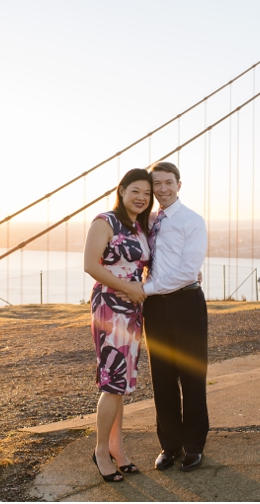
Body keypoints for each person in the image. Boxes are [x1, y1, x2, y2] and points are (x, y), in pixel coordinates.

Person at [83, 168, 153, 483]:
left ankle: (117, 448)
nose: (142, 197)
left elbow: (146, 267)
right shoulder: (105, 222)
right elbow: (90, 265)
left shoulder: (140, 227)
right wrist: (128, 288)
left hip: (133, 308)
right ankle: (101, 451)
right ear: (121, 190)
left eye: (147, 193)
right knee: (112, 380)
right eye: (135, 190)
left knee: (121, 383)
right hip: (110, 306)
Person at [142, 161, 209, 472]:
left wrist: (145, 289)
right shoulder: (148, 221)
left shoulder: (192, 221)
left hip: (186, 303)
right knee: (162, 377)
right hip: (155, 307)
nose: (163, 189)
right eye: (157, 184)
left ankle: (194, 445)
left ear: (179, 185)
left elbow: (187, 271)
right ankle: (170, 445)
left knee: (192, 376)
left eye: (169, 182)